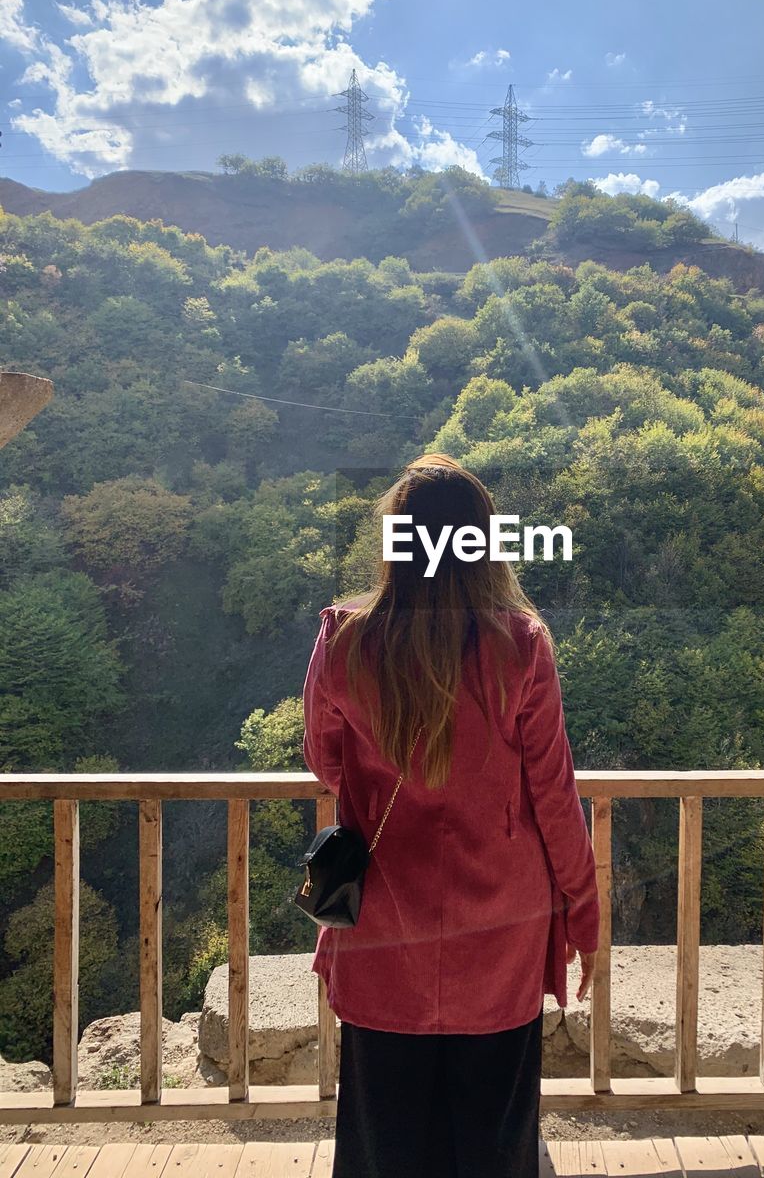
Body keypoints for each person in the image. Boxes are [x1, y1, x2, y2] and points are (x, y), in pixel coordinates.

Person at [302, 452, 600, 1178]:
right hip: (498, 931)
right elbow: (554, 796)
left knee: (384, 1142)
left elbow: (325, 761)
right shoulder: (520, 646)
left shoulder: (344, 640)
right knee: (495, 1141)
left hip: (385, 932)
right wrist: (585, 916)